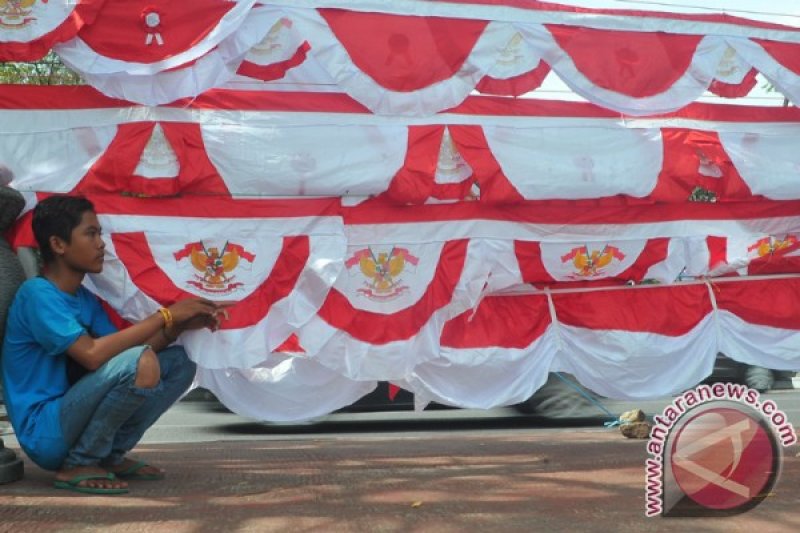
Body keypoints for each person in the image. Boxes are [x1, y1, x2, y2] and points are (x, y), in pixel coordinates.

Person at [1, 195, 228, 494]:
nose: (101, 244)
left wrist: (176, 327)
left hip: (72, 416)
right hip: (46, 432)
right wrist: (165, 315)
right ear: (58, 244)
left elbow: (122, 353)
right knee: (142, 362)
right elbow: (93, 356)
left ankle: (108, 455)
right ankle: (79, 463)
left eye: (100, 234)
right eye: (91, 234)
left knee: (180, 363)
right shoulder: (37, 295)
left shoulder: (85, 299)